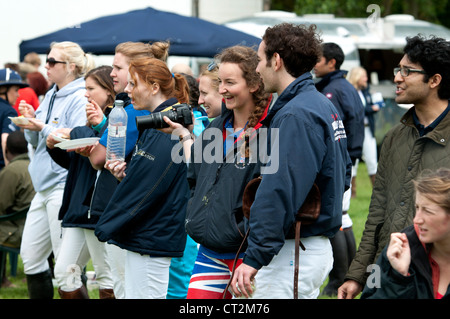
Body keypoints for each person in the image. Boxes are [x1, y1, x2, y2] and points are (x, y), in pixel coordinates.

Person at [230, 23, 351, 299]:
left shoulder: (297, 113)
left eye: (260, 60)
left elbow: (279, 190)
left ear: (276, 60)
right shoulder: (319, 103)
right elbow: (343, 174)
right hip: (305, 247)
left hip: (292, 252)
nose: (257, 68)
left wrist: (254, 257)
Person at [338, 35, 450, 299]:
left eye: (407, 71)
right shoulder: (394, 137)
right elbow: (376, 214)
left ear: (434, 80)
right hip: (387, 267)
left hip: (434, 274)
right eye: (398, 69)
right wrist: (358, 275)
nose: (397, 77)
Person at [74, 41, 170, 299]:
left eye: (118, 67)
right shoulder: (129, 110)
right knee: (124, 284)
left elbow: (100, 157)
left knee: (125, 286)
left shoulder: (132, 112)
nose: (112, 73)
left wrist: (88, 136)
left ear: (140, 73)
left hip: (137, 219)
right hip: (132, 214)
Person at [94, 57, 190, 299]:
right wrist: (124, 175)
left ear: (154, 87)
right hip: (150, 233)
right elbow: (150, 179)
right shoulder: (158, 121)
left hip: (152, 235)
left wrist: (106, 226)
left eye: (133, 84)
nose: (127, 90)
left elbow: (147, 187)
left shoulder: (165, 125)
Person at [183, 45, 272, 299]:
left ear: (253, 84)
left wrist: (242, 231)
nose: (221, 89)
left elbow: (271, 195)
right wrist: (196, 213)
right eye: (220, 82)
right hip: (210, 250)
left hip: (248, 255)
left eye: (229, 82)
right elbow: (194, 180)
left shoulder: (270, 131)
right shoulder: (214, 128)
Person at [16, 41, 95, 299]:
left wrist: (41, 127)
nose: (46, 66)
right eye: (46, 60)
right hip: (43, 186)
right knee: (30, 257)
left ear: (71, 66)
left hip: (62, 184)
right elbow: (38, 142)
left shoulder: (80, 96)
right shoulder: (51, 94)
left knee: (67, 266)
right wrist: (31, 126)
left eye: (52, 62)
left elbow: (74, 142)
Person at [46, 66, 116, 299]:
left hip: (101, 210)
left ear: (108, 91)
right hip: (79, 209)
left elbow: (112, 157)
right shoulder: (85, 125)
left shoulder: (120, 119)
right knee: (65, 274)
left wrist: (90, 128)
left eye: (90, 88)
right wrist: (53, 146)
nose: (85, 94)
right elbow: (75, 165)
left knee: (108, 277)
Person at [314, 42, 365, 296]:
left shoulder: (334, 89)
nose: (314, 63)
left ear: (331, 62)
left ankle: (338, 280)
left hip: (341, 161)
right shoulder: (342, 86)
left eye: (318, 59)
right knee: (343, 216)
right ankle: (348, 274)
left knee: (338, 218)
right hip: (348, 160)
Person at [361, 168, 450, 299]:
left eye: (428, 211)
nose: (416, 219)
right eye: (417, 208)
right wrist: (399, 278)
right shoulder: (398, 248)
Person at [0, 131, 35, 287]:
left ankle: (3, 279)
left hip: (17, 231)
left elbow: (1, 205)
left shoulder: (11, 171)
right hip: (34, 228)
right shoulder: (35, 165)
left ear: (6, 150)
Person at [347, 66, 380, 193]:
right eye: (364, 76)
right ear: (357, 77)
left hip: (367, 129)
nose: (366, 79)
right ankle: (352, 191)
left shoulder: (365, 91)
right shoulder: (350, 92)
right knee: (353, 161)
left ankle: (377, 192)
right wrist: (372, 109)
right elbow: (357, 110)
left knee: (372, 159)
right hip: (355, 131)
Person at [0, 68, 28, 169]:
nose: (18, 95)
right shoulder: (9, 111)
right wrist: (9, 168)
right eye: (16, 90)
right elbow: (5, 139)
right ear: (4, 90)